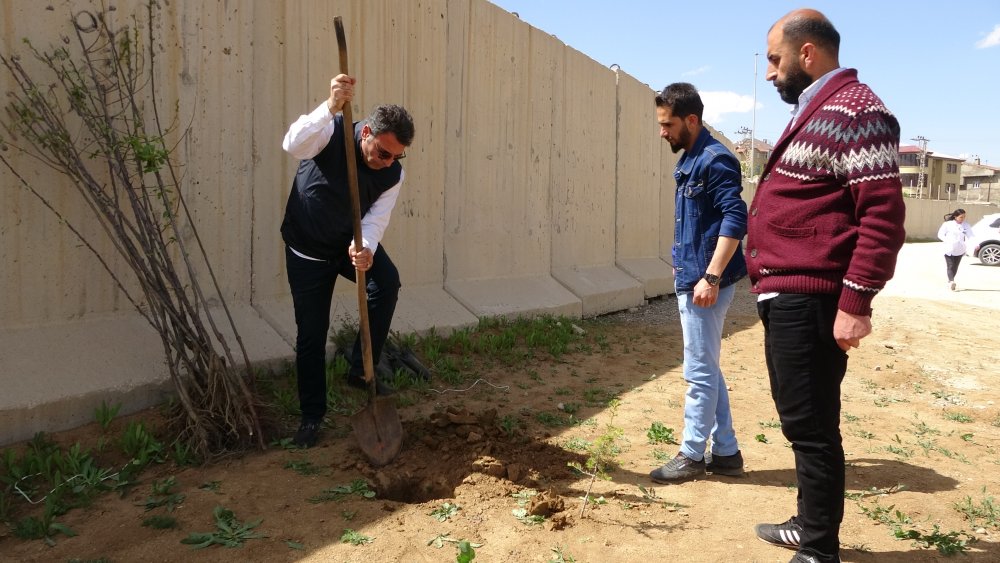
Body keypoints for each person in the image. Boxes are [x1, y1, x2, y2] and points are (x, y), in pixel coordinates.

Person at [746, 9, 905, 563]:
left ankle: (818, 549)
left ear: (807, 53)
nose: (770, 72)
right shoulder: (818, 109)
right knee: (800, 419)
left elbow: (882, 217)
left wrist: (856, 301)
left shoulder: (857, 110)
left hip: (811, 298)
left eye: (775, 59)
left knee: (812, 426)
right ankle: (807, 523)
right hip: (786, 294)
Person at [281, 73, 415, 448]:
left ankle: (361, 369)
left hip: (347, 243)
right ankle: (312, 416)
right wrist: (330, 107)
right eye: (383, 153)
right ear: (367, 132)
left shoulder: (393, 174)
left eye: (397, 156)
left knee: (386, 283)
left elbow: (375, 219)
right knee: (311, 334)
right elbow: (292, 144)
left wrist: (365, 246)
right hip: (307, 250)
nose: (388, 162)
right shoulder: (332, 131)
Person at [649, 83, 748, 483]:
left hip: (706, 283)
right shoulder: (692, 157)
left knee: (699, 371)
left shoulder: (715, 160)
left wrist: (711, 275)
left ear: (691, 120)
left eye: (668, 124)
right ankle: (725, 452)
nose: (662, 132)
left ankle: (692, 454)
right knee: (706, 364)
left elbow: (735, 218)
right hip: (694, 276)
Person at [937, 208, 973, 291]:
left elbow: (971, 235)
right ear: (955, 217)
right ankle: (951, 281)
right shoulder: (947, 224)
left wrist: (975, 244)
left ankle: (950, 281)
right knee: (950, 265)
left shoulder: (966, 225)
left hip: (960, 248)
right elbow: (940, 234)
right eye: (961, 217)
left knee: (955, 266)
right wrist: (948, 241)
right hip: (949, 248)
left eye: (964, 217)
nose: (963, 219)